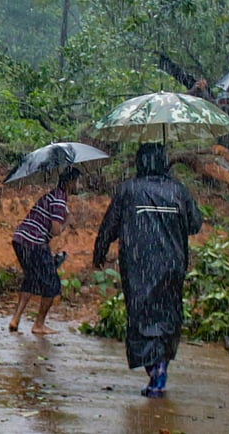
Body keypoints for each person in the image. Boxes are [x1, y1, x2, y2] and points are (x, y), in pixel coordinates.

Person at [92, 143, 203, 398]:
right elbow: (194, 225)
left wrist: (99, 253)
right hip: (172, 264)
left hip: (137, 263)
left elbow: (109, 226)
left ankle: (154, 368)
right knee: (168, 314)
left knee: (141, 314)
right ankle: (160, 366)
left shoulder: (128, 190)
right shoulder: (178, 190)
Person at [9, 167, 81, 335]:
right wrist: (66, 222)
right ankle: (39, 324)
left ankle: (16, 319)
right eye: (78, 181)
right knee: (52, 284)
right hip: (33, 242)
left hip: (20, 240)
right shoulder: (59, 200)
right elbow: (55, 230)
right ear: (70, 183)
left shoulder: (53, 196)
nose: (80, 185)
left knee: (32, 279)